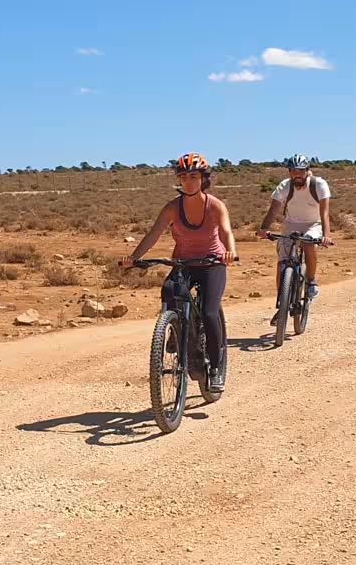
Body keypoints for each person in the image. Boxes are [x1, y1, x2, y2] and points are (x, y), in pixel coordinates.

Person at [121, 153, 238, 393]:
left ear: (204, 179)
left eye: (194, 176)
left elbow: (226, 231)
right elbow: (153, 235)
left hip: (212, 263)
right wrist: (135, 258)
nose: (189, 181)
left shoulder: (215, 205)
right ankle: (174, 328)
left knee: (208, 312)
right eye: (183, 176)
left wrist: (230, 251)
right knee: (169, 290)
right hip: (184, 263)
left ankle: (216, 367)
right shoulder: (172, 208)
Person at [256, 154, 333, 309]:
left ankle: (311, 281)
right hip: (291, 224)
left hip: (314, 224)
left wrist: (326, 235)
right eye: (293, 171)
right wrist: (264, 229)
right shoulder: (285, 186)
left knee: (307, 242)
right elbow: (273, 210)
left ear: (307, 171)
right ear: (289, 172)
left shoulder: (319, 184)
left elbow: (324, 213)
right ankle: (282, 302)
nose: (297, 174)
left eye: (301, 171)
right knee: (282, 262)